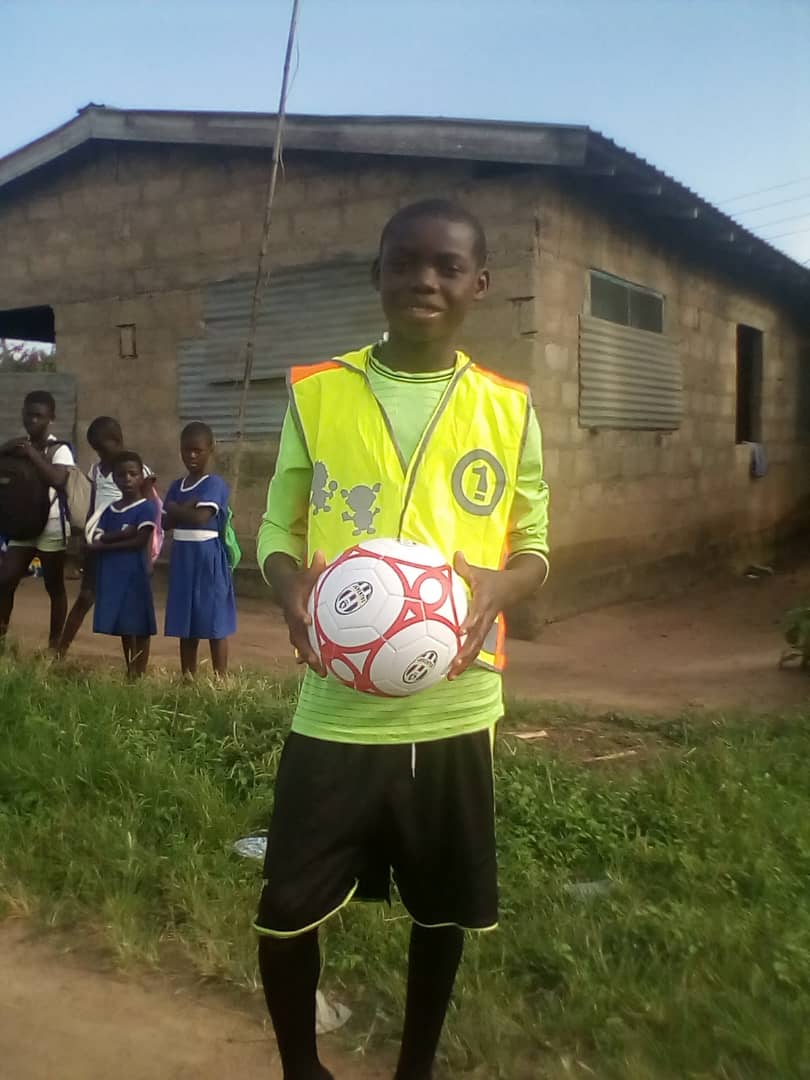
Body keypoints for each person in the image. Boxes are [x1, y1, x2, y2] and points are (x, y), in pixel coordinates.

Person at [255, 199, 550, 1080]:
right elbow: (276, 528)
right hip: (336, 705)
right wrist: (291, 592)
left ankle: (414, 1068)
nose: (425, 279)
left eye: (447, 266)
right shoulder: (318, 392)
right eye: (406, 262)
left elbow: (534, 546)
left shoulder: (509, 408)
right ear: (376, 275)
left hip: (454, 703)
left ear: (479, 284)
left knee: (442, 907)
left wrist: (501, 586)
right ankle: (302, 1070)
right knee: (285, 906)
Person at [57, 416, 155, 659]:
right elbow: (93, 507)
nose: (100, 454)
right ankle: (59, 651)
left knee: (130, 606)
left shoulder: (137, 470)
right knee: (86, 596)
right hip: (102, 541)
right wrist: (87, 537)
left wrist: (149, 554)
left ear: (117, 441)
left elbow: (148, 513)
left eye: (102, 448)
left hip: (128, 547)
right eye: (96, 450)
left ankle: (134, 666)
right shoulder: (97, 471)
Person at [0, 390, 76, 650]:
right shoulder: (16, 446)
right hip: (22, 523)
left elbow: (58, 480)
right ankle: (1, 641)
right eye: (29, 414)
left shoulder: (59, 449)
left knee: (54, 586)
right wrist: (6, 450)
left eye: (39, 416)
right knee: (6, 580)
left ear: (50, 418)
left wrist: (32, 454)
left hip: (51, 524)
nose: (32, 420)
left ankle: (54, 648)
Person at [163, 421, 236, 677]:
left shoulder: (214, 484)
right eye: (187, 450)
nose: (192, 456)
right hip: (183, 558)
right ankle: (187, 676)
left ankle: (220, 677)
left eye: (198, 450)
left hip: (208, 558)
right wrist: (183, 509)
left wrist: (175, 509)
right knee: (187, 619)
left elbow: (200, 517)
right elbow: (165, 522)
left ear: (210, 449)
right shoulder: (177, 485)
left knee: (214, 617)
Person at [88, 450, 157, 678]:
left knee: (141, 625)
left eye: (133, 474)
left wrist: (107, 542)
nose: (127, 479)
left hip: (135, 573)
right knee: (126, 625)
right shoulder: (110, 509)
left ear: (141, 477)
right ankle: (130, 670)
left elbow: (140, 540)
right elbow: (97, 536)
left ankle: (139, 673)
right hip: (114, 574)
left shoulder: (147, 507)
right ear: (114, 479)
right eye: (121, 475)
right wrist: (123, 534)